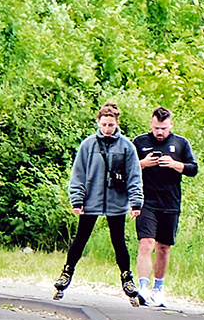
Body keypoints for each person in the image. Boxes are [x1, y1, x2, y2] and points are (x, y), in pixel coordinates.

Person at [54, 102, 145, 305]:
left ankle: (127, 278)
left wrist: (136, 202)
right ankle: (66, 273)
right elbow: (78, 174)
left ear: (117, 124)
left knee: (118, 241)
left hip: (116, 201)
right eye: (103, 124)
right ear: (98, 123)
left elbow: (134, 176)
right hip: (91, 200)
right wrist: (77, 199)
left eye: (110, 125)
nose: (106, 129)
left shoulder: (126, 147)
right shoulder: (88, 145)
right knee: (81, 238)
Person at [133, 106, 198, 307]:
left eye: (163, 128)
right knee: (146, 243)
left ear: (171, 125)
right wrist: (143, 163)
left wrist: (175, 165)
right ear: (151, 124)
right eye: (156, 128)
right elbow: (127, 167)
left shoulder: (180, 143)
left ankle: (158, 289)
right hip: (146, 201)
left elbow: (193, 169)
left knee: (163, 247)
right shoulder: (140, 142)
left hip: (170, 202)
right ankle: (142, 287)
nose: (160, 132)